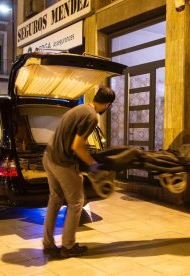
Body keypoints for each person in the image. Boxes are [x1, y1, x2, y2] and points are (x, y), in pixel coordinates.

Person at [42, 86, 115, 258]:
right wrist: (92, 164)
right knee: (76, 201)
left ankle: (48, 243)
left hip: (48, 156)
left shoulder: (79, 109)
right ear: (108, 105)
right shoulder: (92, 117)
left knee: (55, 199)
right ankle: (68, 246)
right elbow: (77, 146)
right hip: (61, 162)